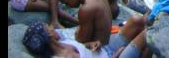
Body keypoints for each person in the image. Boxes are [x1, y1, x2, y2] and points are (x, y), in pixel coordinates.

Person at [57, 0, 151, 57]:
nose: (67, 6)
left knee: (146, 33)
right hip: (108, 40)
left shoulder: (86, 9)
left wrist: (78, 31)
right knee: (137, 20)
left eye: (66, 2)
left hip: (103, 50)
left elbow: (82, 40)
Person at [22, 21, 151, 58]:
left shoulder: (63, 40)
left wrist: (94, 43)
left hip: (106, 49)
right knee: (148, 35)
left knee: (137, 21)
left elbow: (84, 46)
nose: (51, 27)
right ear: (48, 36)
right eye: (48, 27)